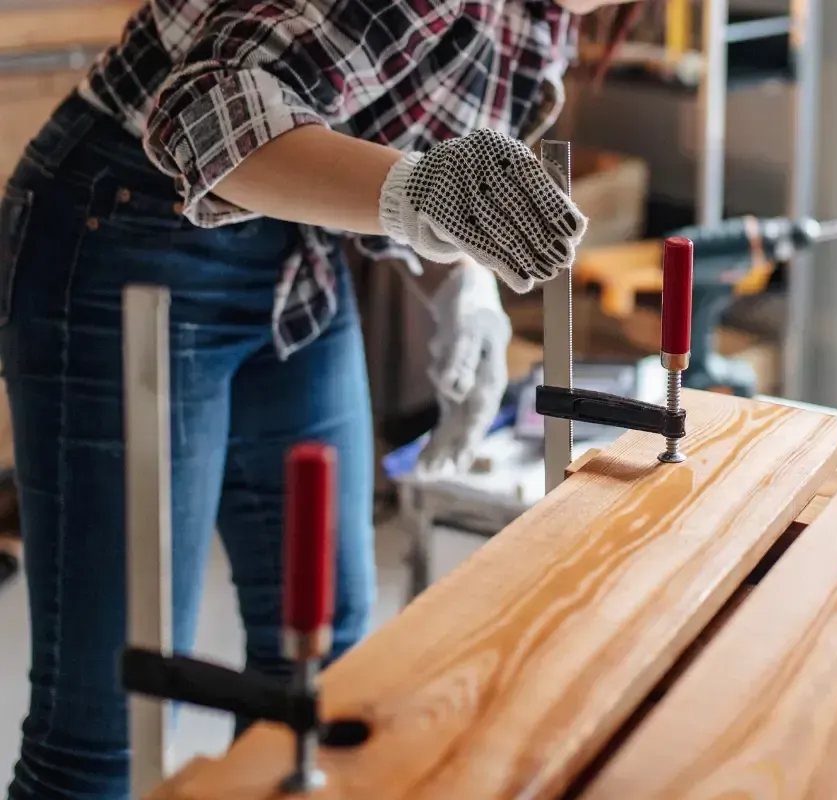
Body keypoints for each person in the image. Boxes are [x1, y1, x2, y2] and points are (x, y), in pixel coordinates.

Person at [0, 0, 639, 796]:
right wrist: (416, 195)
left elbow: (426, 138)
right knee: (111, 728)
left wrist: (461, 278)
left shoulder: (550, 13)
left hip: (293, 249)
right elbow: (202, 106)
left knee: (321, 665)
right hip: (126, 218)